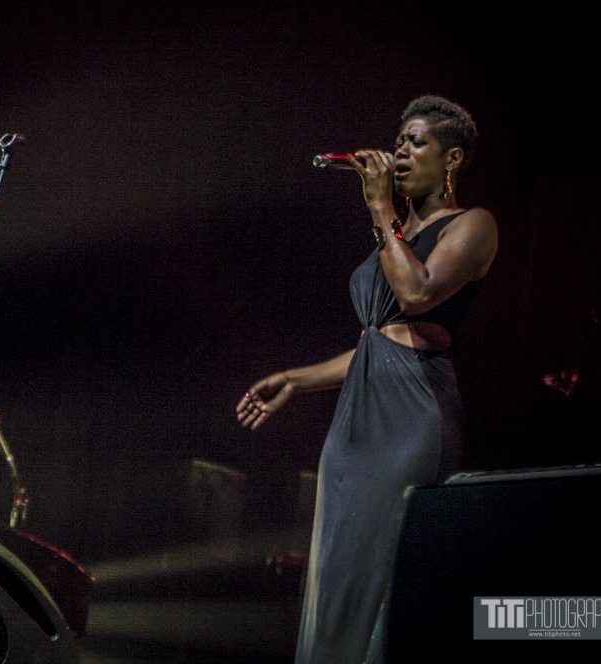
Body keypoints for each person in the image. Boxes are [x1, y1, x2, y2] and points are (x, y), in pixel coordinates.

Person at [236, 95, 497, 663]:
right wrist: (295, 380)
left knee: (378, 573)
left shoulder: (473, 225)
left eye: (417, 142)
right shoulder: (394, 237)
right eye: (398, 140)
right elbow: (374, 343)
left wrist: (380, 208)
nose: (400, 150)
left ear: (452, 159)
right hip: (356, 417)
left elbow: (417, 294)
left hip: (412, 414)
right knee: (335, 569)